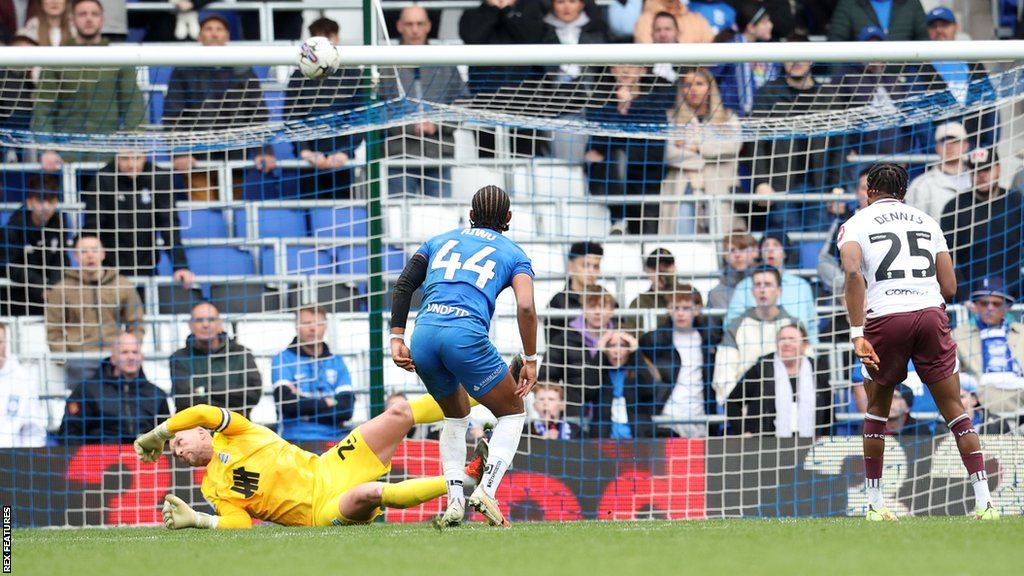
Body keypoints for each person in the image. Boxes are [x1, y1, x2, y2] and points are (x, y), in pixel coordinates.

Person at [838, 161, 998, 520]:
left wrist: (857, 332)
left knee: (876, 411)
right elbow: (951, 287)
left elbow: (851, 271)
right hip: (930, 314)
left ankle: (876, 505)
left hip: (886, 316)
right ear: (904, 193)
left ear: (869, 192)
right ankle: (986, 502)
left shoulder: (856, 224)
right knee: (955, 409)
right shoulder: (927, 222)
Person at [389, 185, 538, 529]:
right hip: (465, 336)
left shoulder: (438, 240)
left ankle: (455, 500)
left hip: (424, 335)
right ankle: (486, 491)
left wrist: (397, 336)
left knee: (455, 417)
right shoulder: (514, 254)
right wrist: (530, 358)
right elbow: (527, 306)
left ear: (470, 216)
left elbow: (404, 283)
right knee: (513, 412)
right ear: (509, 219)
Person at [132, 396, 488, 529]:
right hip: (318, 512)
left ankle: (485, 390)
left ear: (202, 433)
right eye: (174, 451)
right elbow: (240, 523)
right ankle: (468, 479)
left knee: (398, 413)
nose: (178, 450)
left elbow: (200, 411)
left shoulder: (235, 432)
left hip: (329, 466)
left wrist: (159, 434)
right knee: (368, 494)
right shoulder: (210, 487)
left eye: (180, 441)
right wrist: (199, 520)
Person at [164, 14, 271, 201]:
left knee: (232, 215)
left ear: (227, 37)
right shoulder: (183, 70)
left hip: (236, 155)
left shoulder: (244, 71)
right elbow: (174, 114)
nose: (214, 34)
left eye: (219, 29)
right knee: (205, 213)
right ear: (199, 36)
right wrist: (179, 152)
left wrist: (264, 151)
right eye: (208, 29)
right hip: (196, 156)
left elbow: (257, 114)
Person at [32, 0, 144, 170]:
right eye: (82, 14)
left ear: (103, 19)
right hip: (64, 158)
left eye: (94, 14)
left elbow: (134, 106)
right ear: (72, 20)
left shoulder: (119, 58)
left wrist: (130, 145)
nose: (89, 19)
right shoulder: (56, 59)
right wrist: (48, 149)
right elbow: (43, 109)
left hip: (109, 158)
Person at [378, 6, 467, 198]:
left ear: (428, 26)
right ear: (399, 26)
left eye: (419, 24)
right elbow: (376, 108)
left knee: (439, 219)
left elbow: (462, 105)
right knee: (399, 219)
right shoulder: (385, 64)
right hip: (398, 155)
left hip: (439, 154)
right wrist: (409, 126)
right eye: (409, 24)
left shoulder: (445, 62)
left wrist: (436, 125)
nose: (415, 30)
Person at [80, 151, 194, 287]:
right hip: (109, 270)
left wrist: (180, 265)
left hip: (146, 266)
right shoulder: (103, 179)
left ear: (145, 156)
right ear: (116, 158)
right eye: (125, 158)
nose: (131, 164)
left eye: (136, 158)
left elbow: (169, 224)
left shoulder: (159, 178)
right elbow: (93, 224)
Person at [281, 17, 366, 200]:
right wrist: (305, 150)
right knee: (310, 215)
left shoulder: (353, 74)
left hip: (342, 160)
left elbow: (360, 115)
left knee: (340, 216)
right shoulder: (299, 75)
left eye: (329, 37)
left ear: (337, 38)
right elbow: (291, 115)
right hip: (308, 160)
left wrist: (344, 151)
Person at [46, 234, 144, 386]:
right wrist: (65, 357)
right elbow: (53, 328)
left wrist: (128, 351)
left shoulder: (123, 285)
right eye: (84, 251)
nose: (90, 255)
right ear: (75, 256)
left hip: (116, 358)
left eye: (94, 250)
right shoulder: (61, 289)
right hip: (79, 359)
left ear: (103, 253)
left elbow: (136, 322)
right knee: (83, 407)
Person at [458, 0, 547, 158]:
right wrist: (493, 10)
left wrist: (507, 11)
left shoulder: (531, 12)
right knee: (488, 166)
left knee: (525, 164)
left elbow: (531, 37)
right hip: (484, 105)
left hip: (526, 105)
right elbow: (472, 37)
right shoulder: (472, 14)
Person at [661, 67, 743, 235]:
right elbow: (669, 153)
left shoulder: (728, 118)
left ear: (710, 87)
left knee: (720, 245)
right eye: (687, 84)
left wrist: (697, 147)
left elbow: (733, 147)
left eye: (699, 83)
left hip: (719, 187)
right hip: (682, 189)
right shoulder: (670, 118)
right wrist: (712, 152)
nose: (693, 89)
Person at [940, 148, 1024, 301]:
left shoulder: (1017, 202)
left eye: (987, 169)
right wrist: (964, 297)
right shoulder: (955, 207)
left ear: (998, 169)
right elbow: (946, 257)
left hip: (1012, 299)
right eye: (976, 170)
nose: (982, 175)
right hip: (970, 301)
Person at [636, 288, 720, 437]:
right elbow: (636, 354)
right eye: (675, 308)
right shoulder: (656, 339)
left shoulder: (709, 339)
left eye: (686, 308)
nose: (680, 313)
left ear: (698, 309)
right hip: (667, 416)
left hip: (698, 415)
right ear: (668, 309)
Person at [58, 332, 170, 444]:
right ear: (113, 358)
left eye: (135, 352)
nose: (131, 357)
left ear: (141, 357)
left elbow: (167, 437)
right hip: (101, 458)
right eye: (124, 352)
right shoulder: (88, 390)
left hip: (146, 457)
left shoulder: (156, 394)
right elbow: (69, 434)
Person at [726, 323, 832, 437]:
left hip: (810, 443)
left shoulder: (817, 370)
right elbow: (732, 402)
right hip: (766, 445)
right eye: (782, 339)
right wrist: (743, 430)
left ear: (804, 345)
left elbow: (828, 410)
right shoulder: (762, 368)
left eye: (792, 339)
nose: (786, 343)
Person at [712, 265, 798, 404]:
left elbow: (804, 365)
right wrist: (736, 407)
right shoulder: (736, 325)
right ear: (752, 291)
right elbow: (724, 372)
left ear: (779, 291)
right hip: (747, 405)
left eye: (768, 284)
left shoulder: (794, 325)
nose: (762, 290)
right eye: (758, 285)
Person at [914, 8, 998, 149]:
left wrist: (987, 147)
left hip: (975, 154)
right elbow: (919, 117)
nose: (939, 30)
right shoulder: (920, 68)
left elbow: (990, 107)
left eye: (945, 25)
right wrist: (933, 151)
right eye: (933, 26)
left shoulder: (974, 64)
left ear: (956, 27)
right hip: (940, 156)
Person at [271, 306, 355, 442]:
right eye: (306, 323)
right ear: (296, 327)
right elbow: (287, 405)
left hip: (336, 439)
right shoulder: (282, 359)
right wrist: (328, 402)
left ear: (325, 327)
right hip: (295, 439)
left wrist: (306, 411)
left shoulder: (337, 361)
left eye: (318, 324)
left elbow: (346, 410)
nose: (312, 328)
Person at [543, 286, 622, 422]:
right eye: (592, 306)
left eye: (602, 306)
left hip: (612, 415)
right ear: (583, 309)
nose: (597, 312)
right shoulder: (564, 339)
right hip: (573, 414)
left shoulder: (622, 338)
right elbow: (547, 379)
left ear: (612, 310)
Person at [169, 301, 262, 418]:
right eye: (199, 320)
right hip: (196, 428)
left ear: (220, 323)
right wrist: (227, 403)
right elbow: (183, 401)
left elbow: (253, 395)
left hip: (236, 429)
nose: (205, 324)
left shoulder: (241, 353)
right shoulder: (179, 358)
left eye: (211, 319)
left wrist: (205, 390)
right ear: (190, 325)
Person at [724, 231, 818, 343]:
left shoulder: (801, 286)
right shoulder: (745, 286)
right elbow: (731, 323)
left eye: (776, 245)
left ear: (785, 253)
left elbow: (811, 326)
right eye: (766, 245)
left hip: (795, 351)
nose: (770, 250)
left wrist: (812, 355)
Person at [951, 276, 1024, 416]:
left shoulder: (1022, 333)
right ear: (976, 305)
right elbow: (948, 373)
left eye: (996, 304)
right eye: (984, 303)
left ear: (1007, 306)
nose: (990, 308)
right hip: (981, 402)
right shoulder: (959, 335)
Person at [0, 175, 69, 316]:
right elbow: (11, 267)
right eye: (40, 201)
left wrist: (53, 286)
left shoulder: (59, 223)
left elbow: (61, 258)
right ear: (29, 202)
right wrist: (40, 285)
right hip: (15, 296)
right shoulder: (13, 228)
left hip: (49, 295)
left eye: (51, 201)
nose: (46, 207)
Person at [711, 3, 779, 116]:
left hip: (764, 115)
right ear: (751, 28)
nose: (770, 25)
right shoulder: (729, 48)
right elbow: (711, 75)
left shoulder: (767, 51)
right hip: (732, 118)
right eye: (765, 22)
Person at [903, 122, 972, 222]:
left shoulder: (979, 179)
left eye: (954, 141)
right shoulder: (921, 185)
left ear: (965, 145)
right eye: (944, 141)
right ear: (937, 147)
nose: (949, 146)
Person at [818, 168, 871, 293]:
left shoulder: (894, 223)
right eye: (864, 188)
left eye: (874, 189)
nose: (869, 193)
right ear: (857, 193)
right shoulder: (843, 223)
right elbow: (825, 263)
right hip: (849, 293)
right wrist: (848, 288)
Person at [0, 322, 47, 447]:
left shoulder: (24, 379)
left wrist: (24, 460)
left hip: (11, 459)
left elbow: (33, 430)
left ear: (6, 343)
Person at [623, 248, 683, 330]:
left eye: (666, 266)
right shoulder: (640, 302)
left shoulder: (689, 294)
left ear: (674, 268)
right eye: (656, 268)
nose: (662, 272)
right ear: (648, 271)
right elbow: (633, 333)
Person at [827, 0, 928, 42]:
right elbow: (835, 42)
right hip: (859, 81)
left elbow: (924, 39)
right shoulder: (848, 4)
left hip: (906, 81)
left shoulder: (911, 3)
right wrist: (844, 81)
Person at [708, 233, 757, 310]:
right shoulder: (716, 294)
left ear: (755, 251)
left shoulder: (769, 285)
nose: (737, 254)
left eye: (742, 248)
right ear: (724, 255)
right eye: (732, 250)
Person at [548, 240, 602, 310]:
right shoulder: (558, 302)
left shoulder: (606, 298)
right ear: (571, 266)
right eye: (585, 265)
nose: (591, 271)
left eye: (596, 266)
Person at [632, 0, 713, 44]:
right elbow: (648, 58)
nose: (662, 34)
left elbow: (710, 56)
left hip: (693, 73)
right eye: (658, 30)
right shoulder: (644, 20)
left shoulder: (698, 19)